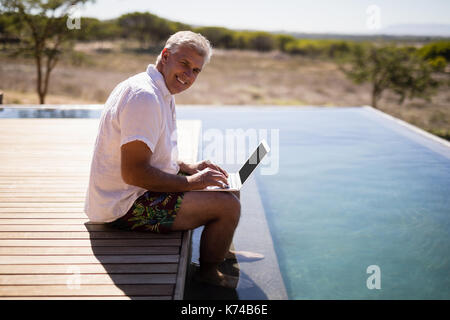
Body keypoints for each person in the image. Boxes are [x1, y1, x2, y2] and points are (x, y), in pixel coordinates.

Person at [84, 31, 254, 289]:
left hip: (135, 191)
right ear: (165, 56)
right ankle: (208, 273)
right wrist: (192, 183)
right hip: (123, 205)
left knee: (227, 186)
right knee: (226, 206)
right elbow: (134, 174)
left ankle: (222, 252)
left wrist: (189, 167)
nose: (189, 75)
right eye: (184, 64)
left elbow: (156, 155)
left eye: (196, 70)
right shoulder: (145, 97)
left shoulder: (159, 89)